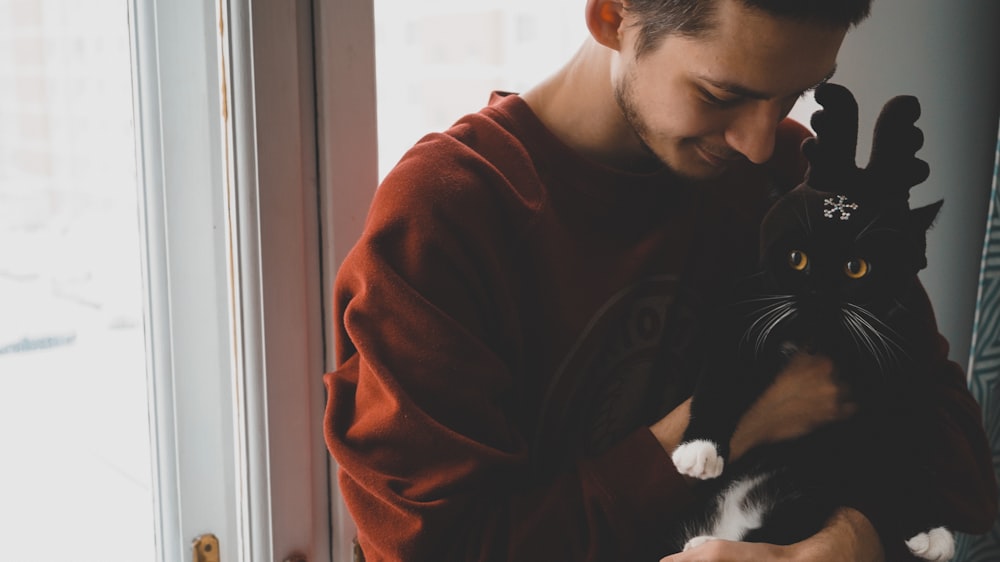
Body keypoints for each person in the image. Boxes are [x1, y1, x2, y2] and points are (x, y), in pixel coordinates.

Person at [323, 0, 997, 560]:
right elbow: (442, 549)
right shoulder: (445, 218)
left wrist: (851, 542)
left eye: (795, 94)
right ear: (612, 15)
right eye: (721, 94)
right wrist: (731, 423)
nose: (760, 143)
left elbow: (953, 444)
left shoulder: (797, 179)